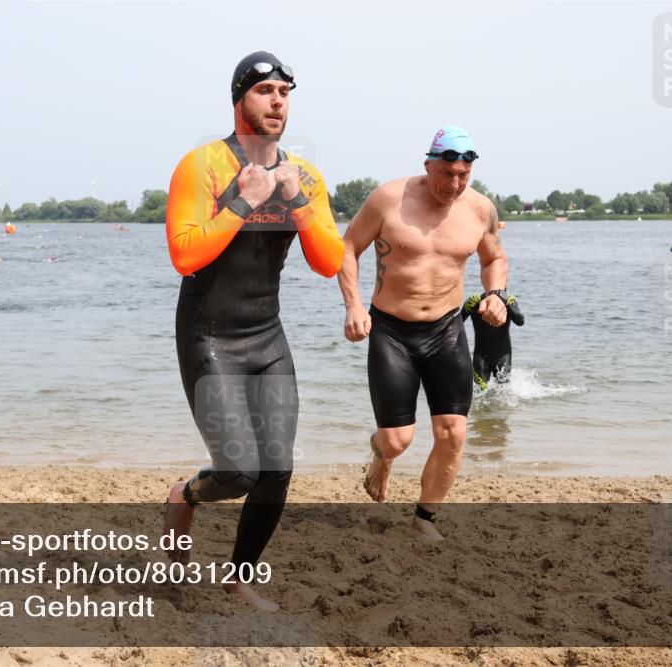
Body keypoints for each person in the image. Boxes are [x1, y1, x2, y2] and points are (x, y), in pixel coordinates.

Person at [162, 51, 344, 611]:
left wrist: (295, 199)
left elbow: (330, 262)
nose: (278, 102)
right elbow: (184, 254)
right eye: (265, 91)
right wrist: (246, 199)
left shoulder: (304, 176)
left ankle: (239, 578)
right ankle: (185, 494)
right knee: (240, 470)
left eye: (285, 93)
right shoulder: (203, 165)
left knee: (278, 468)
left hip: (267, 335)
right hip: (209, 334)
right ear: (239, 99)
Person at [337, 126, 509, 540]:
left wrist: (496, 295)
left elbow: (494, 259)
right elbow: (348, 247)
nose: (454, 184)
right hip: (392, 331)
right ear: (428, 165)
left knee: (453, 433)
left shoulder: (480, 209)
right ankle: (382, 455)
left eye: (463, 175)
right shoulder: (388, 199)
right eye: (446, 173)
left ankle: (424, 519)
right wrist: (354, 306)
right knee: (397, 441)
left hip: (446, 330)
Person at [462, 291, 525, 389]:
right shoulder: (473, 302)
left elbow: (520, 321)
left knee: (504, 393)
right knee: (480, 392)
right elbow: (457, 324)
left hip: (503, 358)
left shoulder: (509, 300)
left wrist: (506, 302)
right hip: (481, 359)